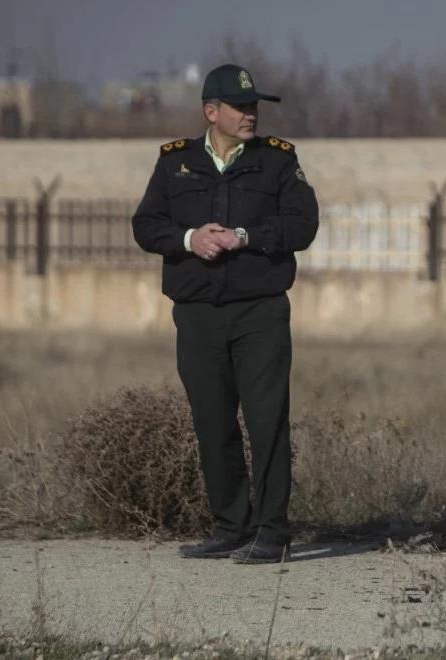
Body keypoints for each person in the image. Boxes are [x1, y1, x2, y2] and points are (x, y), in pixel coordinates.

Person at [131, 64, 319, 564]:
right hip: (197, 313)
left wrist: (245, 238)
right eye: (241, 107)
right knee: (212, 421)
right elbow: (147, 226)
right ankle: (230, 526)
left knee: (267, 420)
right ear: (211, 111)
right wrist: (192, 239)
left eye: (255, 106)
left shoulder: (278, 161)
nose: (251, 114)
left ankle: (273, 532)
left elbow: (303, 225)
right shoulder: (175, 162)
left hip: (260, 311)